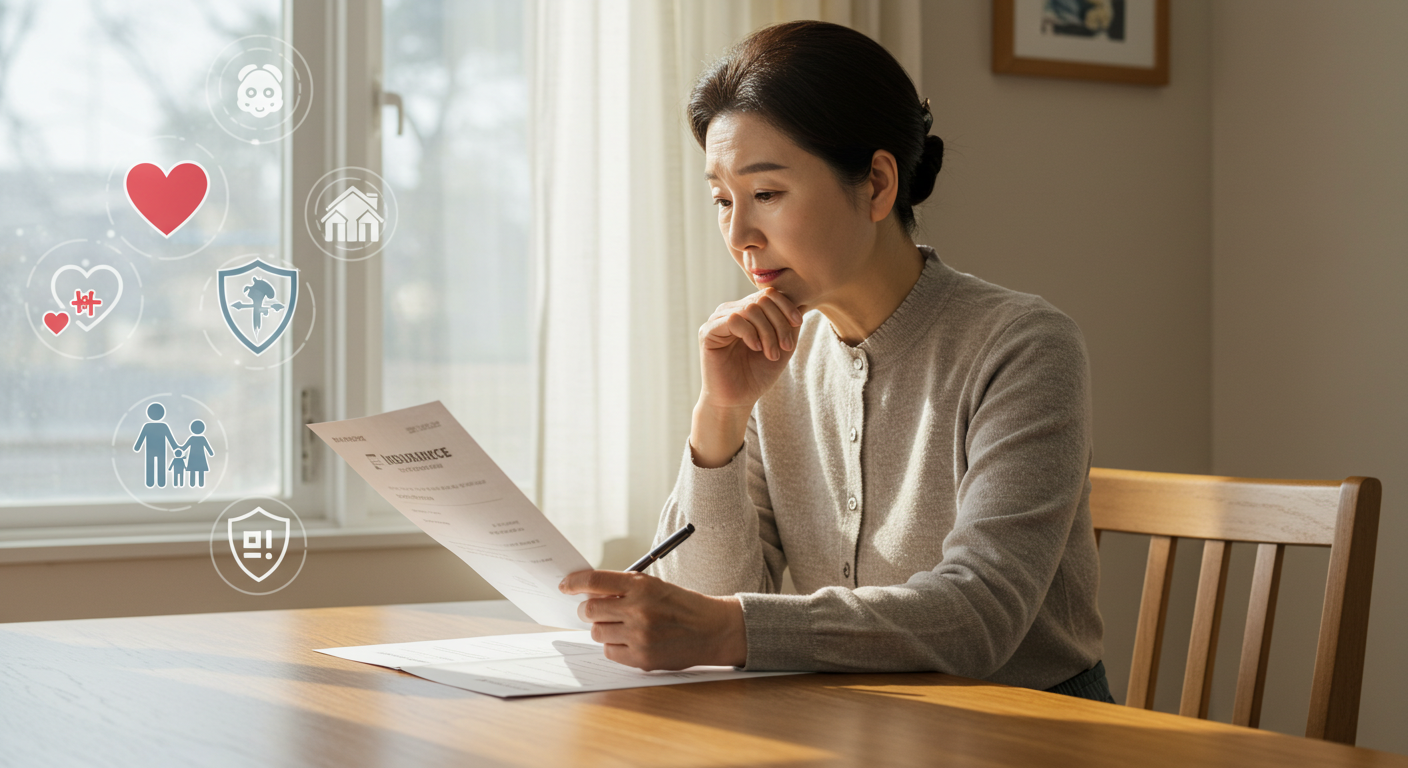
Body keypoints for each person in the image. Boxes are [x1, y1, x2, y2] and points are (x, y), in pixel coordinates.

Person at [559, 20, 1113, 703]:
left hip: (1029, 732)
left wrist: (730, 630)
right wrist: (721, 415)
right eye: (722, 201)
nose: (738, 236)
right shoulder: (772, 355)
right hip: (856, 722)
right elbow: (709, 602)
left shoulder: (1023, 345)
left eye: (766, 194)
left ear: (878, 184)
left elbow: (980, 617)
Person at [132, 402, 178, 488]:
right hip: (157, 450)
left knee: (155, 465)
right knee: (157, 465)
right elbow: (170, 439)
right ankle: (159, 481)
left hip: (155, 451)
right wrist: (175, 447)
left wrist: (137, 447)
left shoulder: (150, 426)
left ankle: (153, 481)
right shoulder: (161, 426)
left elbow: (169, 438)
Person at [181, 420, 215, 488]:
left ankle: (193, 483)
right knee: (200, 470)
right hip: (200, 457)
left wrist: (180, 450)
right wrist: (210, 453)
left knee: (194, 471)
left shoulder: (193, 438)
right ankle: (199, 483)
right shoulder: (201, 438)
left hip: (194, 457)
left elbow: (185, 447)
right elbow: (207, 447)